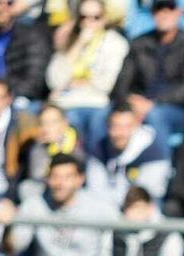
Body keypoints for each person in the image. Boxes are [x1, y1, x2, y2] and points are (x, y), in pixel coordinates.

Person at [115, 0, 184, 154]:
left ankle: (159, 165)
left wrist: (153, 104)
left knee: (156, 115)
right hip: (138, 104)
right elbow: (123, 80)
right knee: (107, 115)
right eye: (159, 10)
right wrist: (130, 101)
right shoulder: (140, 43)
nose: (164, 14)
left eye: (169, 9)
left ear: (179, 13)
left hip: (175, 109)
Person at [6, 152, 112, 256]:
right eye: (55, 177)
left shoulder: (98, 207)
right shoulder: (35, 205)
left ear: (80, 179)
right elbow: (16, 245)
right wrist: (8, 225)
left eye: (67, 177)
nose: (60, 184)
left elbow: (126, 227)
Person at [47, 0, 129, 152]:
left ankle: (91, 167)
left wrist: (79, 81)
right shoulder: (70, 39)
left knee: (90, 121)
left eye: (95, 17)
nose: (89, 22)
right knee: (56, 120)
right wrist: (77, 45)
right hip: (65, 102)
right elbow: (54, 80)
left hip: (96, 102)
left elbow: (106, 83)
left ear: (104, 18)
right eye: (84, 17)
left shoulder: (115, 43)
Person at [86, 105, 171, 207]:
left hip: (141, 210)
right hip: (106, 208)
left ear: (137, 125)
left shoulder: (154, 153)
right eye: (115, 126)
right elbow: (95, 190)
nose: (120, 133)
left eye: (126, 127)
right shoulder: (100, 148)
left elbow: (146, 195)